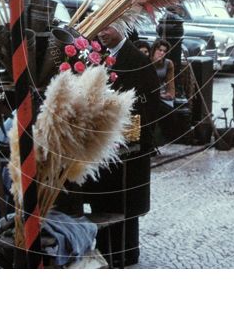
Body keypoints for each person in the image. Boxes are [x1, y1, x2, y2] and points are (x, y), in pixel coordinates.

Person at [65, 25, 163, 266]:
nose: (102, 32)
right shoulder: (96, 56)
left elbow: (151, 102)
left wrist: (137, 133)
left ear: (123, 28)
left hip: (131, 142)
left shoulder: (138, 59)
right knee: (104, 200)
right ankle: (107, 250)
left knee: (126, 203)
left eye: (108, 28)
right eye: (100, 29)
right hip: (105, 141)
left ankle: (127, 253)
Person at [151, 38, 175, 104]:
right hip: (150, 93)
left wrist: (170, 94)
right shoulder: (147, 61)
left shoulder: (168, 63)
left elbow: (170, 82)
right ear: (154, 50)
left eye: (164, 51)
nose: (162, 53)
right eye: (160, 50)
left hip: (163, 93)